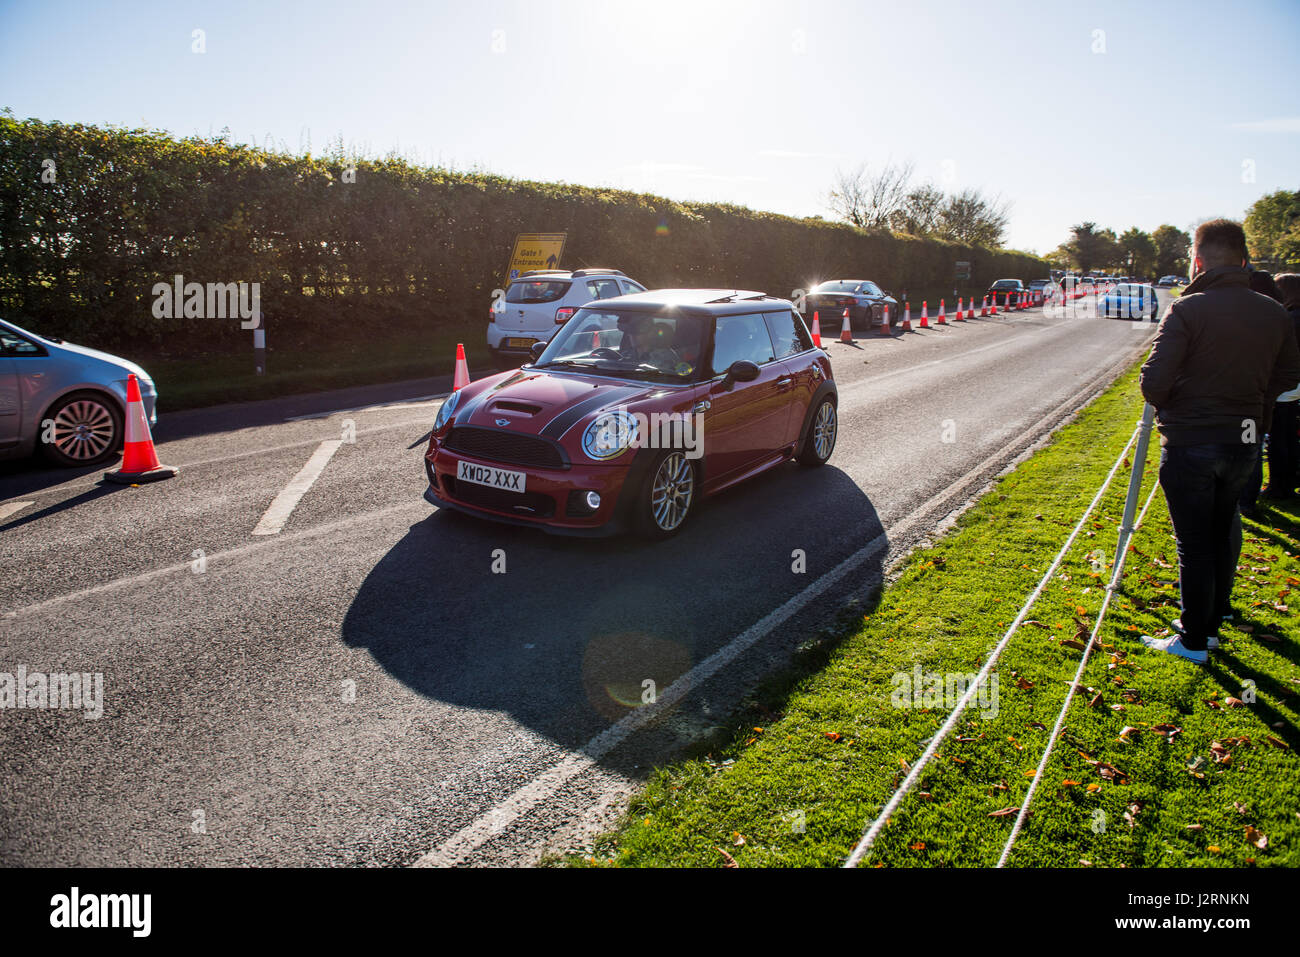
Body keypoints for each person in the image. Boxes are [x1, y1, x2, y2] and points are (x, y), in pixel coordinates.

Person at [1138, 219, 1300, 664]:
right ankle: (1206, 625)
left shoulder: (1188, 308)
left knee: (1195, 542)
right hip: (1244, 440)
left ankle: (1194, 641)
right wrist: (1256, 406)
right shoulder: (1273, 311)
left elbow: (1154, 383)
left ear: (1198, 260)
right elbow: (1288, 376)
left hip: (1193, 441)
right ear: (1245, 259)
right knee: (1221, 527)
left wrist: (1182, 407)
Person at [1237, 271, 1286, 514]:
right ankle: (1245, 500)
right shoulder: (1276, 315)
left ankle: (1244, 501)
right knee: (1250, 448)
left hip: (1252, 402)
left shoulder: (1264, 318)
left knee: (1250, 448)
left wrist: (1266, 392)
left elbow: (1288, 367)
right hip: (1255, 402)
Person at [1268, 273, 1300, 497]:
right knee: (1288, 436)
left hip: (1285, 386)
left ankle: (1280, 485)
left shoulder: (1291, 319)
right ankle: (1287, 481)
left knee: (1279, 438)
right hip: (1293, 387)